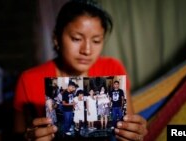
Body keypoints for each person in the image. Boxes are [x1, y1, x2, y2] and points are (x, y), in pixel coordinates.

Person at [14, 0, 148, 141]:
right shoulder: (29, 79)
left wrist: (134, 133)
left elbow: (128, 127)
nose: (87, 50)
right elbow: (17, 136)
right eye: (76, 39)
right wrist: (28, 138)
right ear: (56, 39)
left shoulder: (113, 68)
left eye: (96, 41)